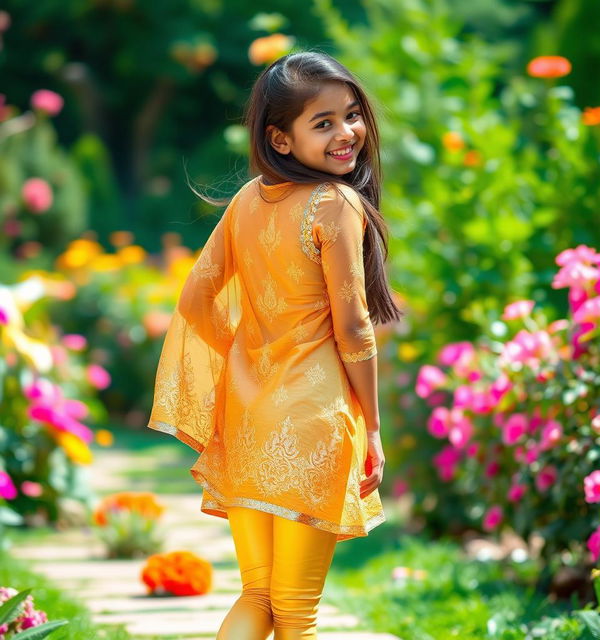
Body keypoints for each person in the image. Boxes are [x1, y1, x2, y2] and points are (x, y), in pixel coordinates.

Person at [147, 50, 403, 639]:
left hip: (246, 417)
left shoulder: (244, 205)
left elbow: (196, 299)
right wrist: (372, 424)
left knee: (257, 596)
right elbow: (355, 328)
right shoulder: (335, 204)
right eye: (324, 123)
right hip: (312, 420)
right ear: (280, 140)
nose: (348, 134)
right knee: (296, 613)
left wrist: (243, 362)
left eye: (353, 115)